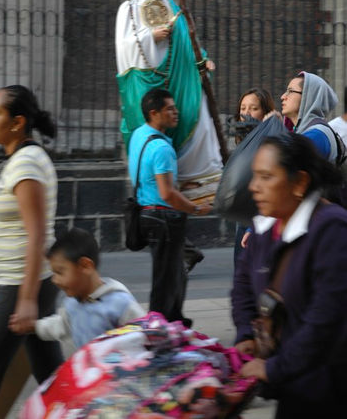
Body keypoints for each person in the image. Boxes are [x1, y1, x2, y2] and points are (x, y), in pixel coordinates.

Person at [116, 0, 221, 271]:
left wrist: (201, 59)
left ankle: (181, 244)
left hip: (179, 76)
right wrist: (150, 37)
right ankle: (179, 249)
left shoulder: (166, 1)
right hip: (151, 80)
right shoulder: (127, 9)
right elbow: (123, 48)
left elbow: (188, 35)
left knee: (194, 119)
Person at [232, 133, 347, 418]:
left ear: (300, 182)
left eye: (266, 177)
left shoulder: (332, 230)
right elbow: (243, 284)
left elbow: (324, 321)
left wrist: (273, 368)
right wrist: (246, 333)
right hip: (294, 387)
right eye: (254, 176)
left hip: (329, 390)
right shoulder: (264, 227)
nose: (253, 187)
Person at [0, 85, 63, 417]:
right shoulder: (20, 158)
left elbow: (36, 235)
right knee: (50, 373)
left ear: (17, 122)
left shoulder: (26, 163)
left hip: (23, 284)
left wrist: (26, 298)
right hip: (19, 281)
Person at [128, 88, 212, 327]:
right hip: (164, 218)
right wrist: (195, 209)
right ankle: (159, 327)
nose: (176, 113)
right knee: (165, 280)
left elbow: (151, 177)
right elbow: (167, 193)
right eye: (170, 109)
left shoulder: (138, 136)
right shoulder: (163, 148)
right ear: (154, 113)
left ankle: (175, 320)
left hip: (147, 213)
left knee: (174, 273)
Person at [10, 227, 145, 355]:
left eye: (60, 272)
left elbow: (146, 332)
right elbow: (60, 325)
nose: (54, 280)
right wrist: (34, 327)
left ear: (85, 266)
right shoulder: (72, 304)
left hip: (119, 375)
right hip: (89, 374)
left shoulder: (120, 303)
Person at [233, 88, 275, 264]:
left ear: (265, 112)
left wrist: (253, 227)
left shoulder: (268, 143)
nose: (246, 113)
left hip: (258, 220)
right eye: (243, 108)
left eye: (253, 108)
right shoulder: (244, 140)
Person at [281, 71, 339, 160]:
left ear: (307, 97)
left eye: (290, 91)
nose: (283, 96)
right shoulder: (302, 131)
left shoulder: (316, 135)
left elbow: (290, 169)